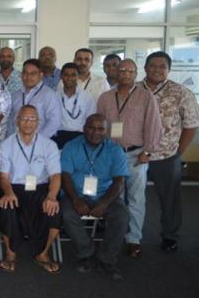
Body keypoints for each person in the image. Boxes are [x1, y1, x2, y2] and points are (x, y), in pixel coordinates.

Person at [96, 58, 162, 258]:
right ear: (116, 72)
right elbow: (98, 126)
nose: (125, 73)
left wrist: (148, 151)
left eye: (130, 71)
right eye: (122, 70)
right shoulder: (105, 97)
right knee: (113, 197)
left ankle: (133, 239)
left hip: (135, 155)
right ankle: (114, 234)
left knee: (135, 198)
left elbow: (154, 125)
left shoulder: (145, 96)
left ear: (136, 74)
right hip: (111, 155)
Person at [142, 51, 199, 252]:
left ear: (168, 69)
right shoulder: (133, 89)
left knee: (169, 198)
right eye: (153, 66)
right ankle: (130, 234)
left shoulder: (181, 93)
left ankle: (169, 235)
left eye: (162, 66)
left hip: (165, 156)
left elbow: (191, 125)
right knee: (131, 196)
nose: (157, 70)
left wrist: (178, 152)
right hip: (135, 155)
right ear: (145, 67)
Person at [61, 114, 129, 280]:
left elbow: (119, 182)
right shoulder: (71, 146)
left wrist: (104, 203)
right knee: (67, 214)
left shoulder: (115, 150)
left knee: (121, 215)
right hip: (75, 193)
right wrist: (76, 199)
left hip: (105, 194)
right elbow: (65, 176)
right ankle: (86, 253)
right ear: (84, 128)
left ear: (106, 131)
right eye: (91, 128)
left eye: (101, 129)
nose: (95, 132)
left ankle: (107, 259)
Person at [0, 105, 61, 274]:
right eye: (24, 118)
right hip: (15, 187)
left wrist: (52, 196)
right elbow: (3, 177)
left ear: (38, 122)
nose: (28, 122)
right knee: (6, 206)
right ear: (17, 121)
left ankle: (43, 253)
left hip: (40, 187)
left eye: (32, 119)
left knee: (53, 209)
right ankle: (10, 253)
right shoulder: (6, 144)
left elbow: (55, 176)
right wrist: (8, 192)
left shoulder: (49, 145)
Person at [9, 58, 61, 138]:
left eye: (33, 73)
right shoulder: (15, 95)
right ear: (21, 75)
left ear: (41, 75)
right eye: (25, 73)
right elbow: (11, 121)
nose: (28, 77)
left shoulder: (49, 95)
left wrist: (36, 140)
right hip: (16, 143)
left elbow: (54, 122)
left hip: (41, 144)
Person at [54, 63, 96, 149]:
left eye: (73, 75)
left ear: (78, 77)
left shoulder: (87, 97)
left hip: (80, 137)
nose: (69, 78)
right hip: (59, 137)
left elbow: (90, 120)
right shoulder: (54, 96)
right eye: (66, 75)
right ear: (61, 76)